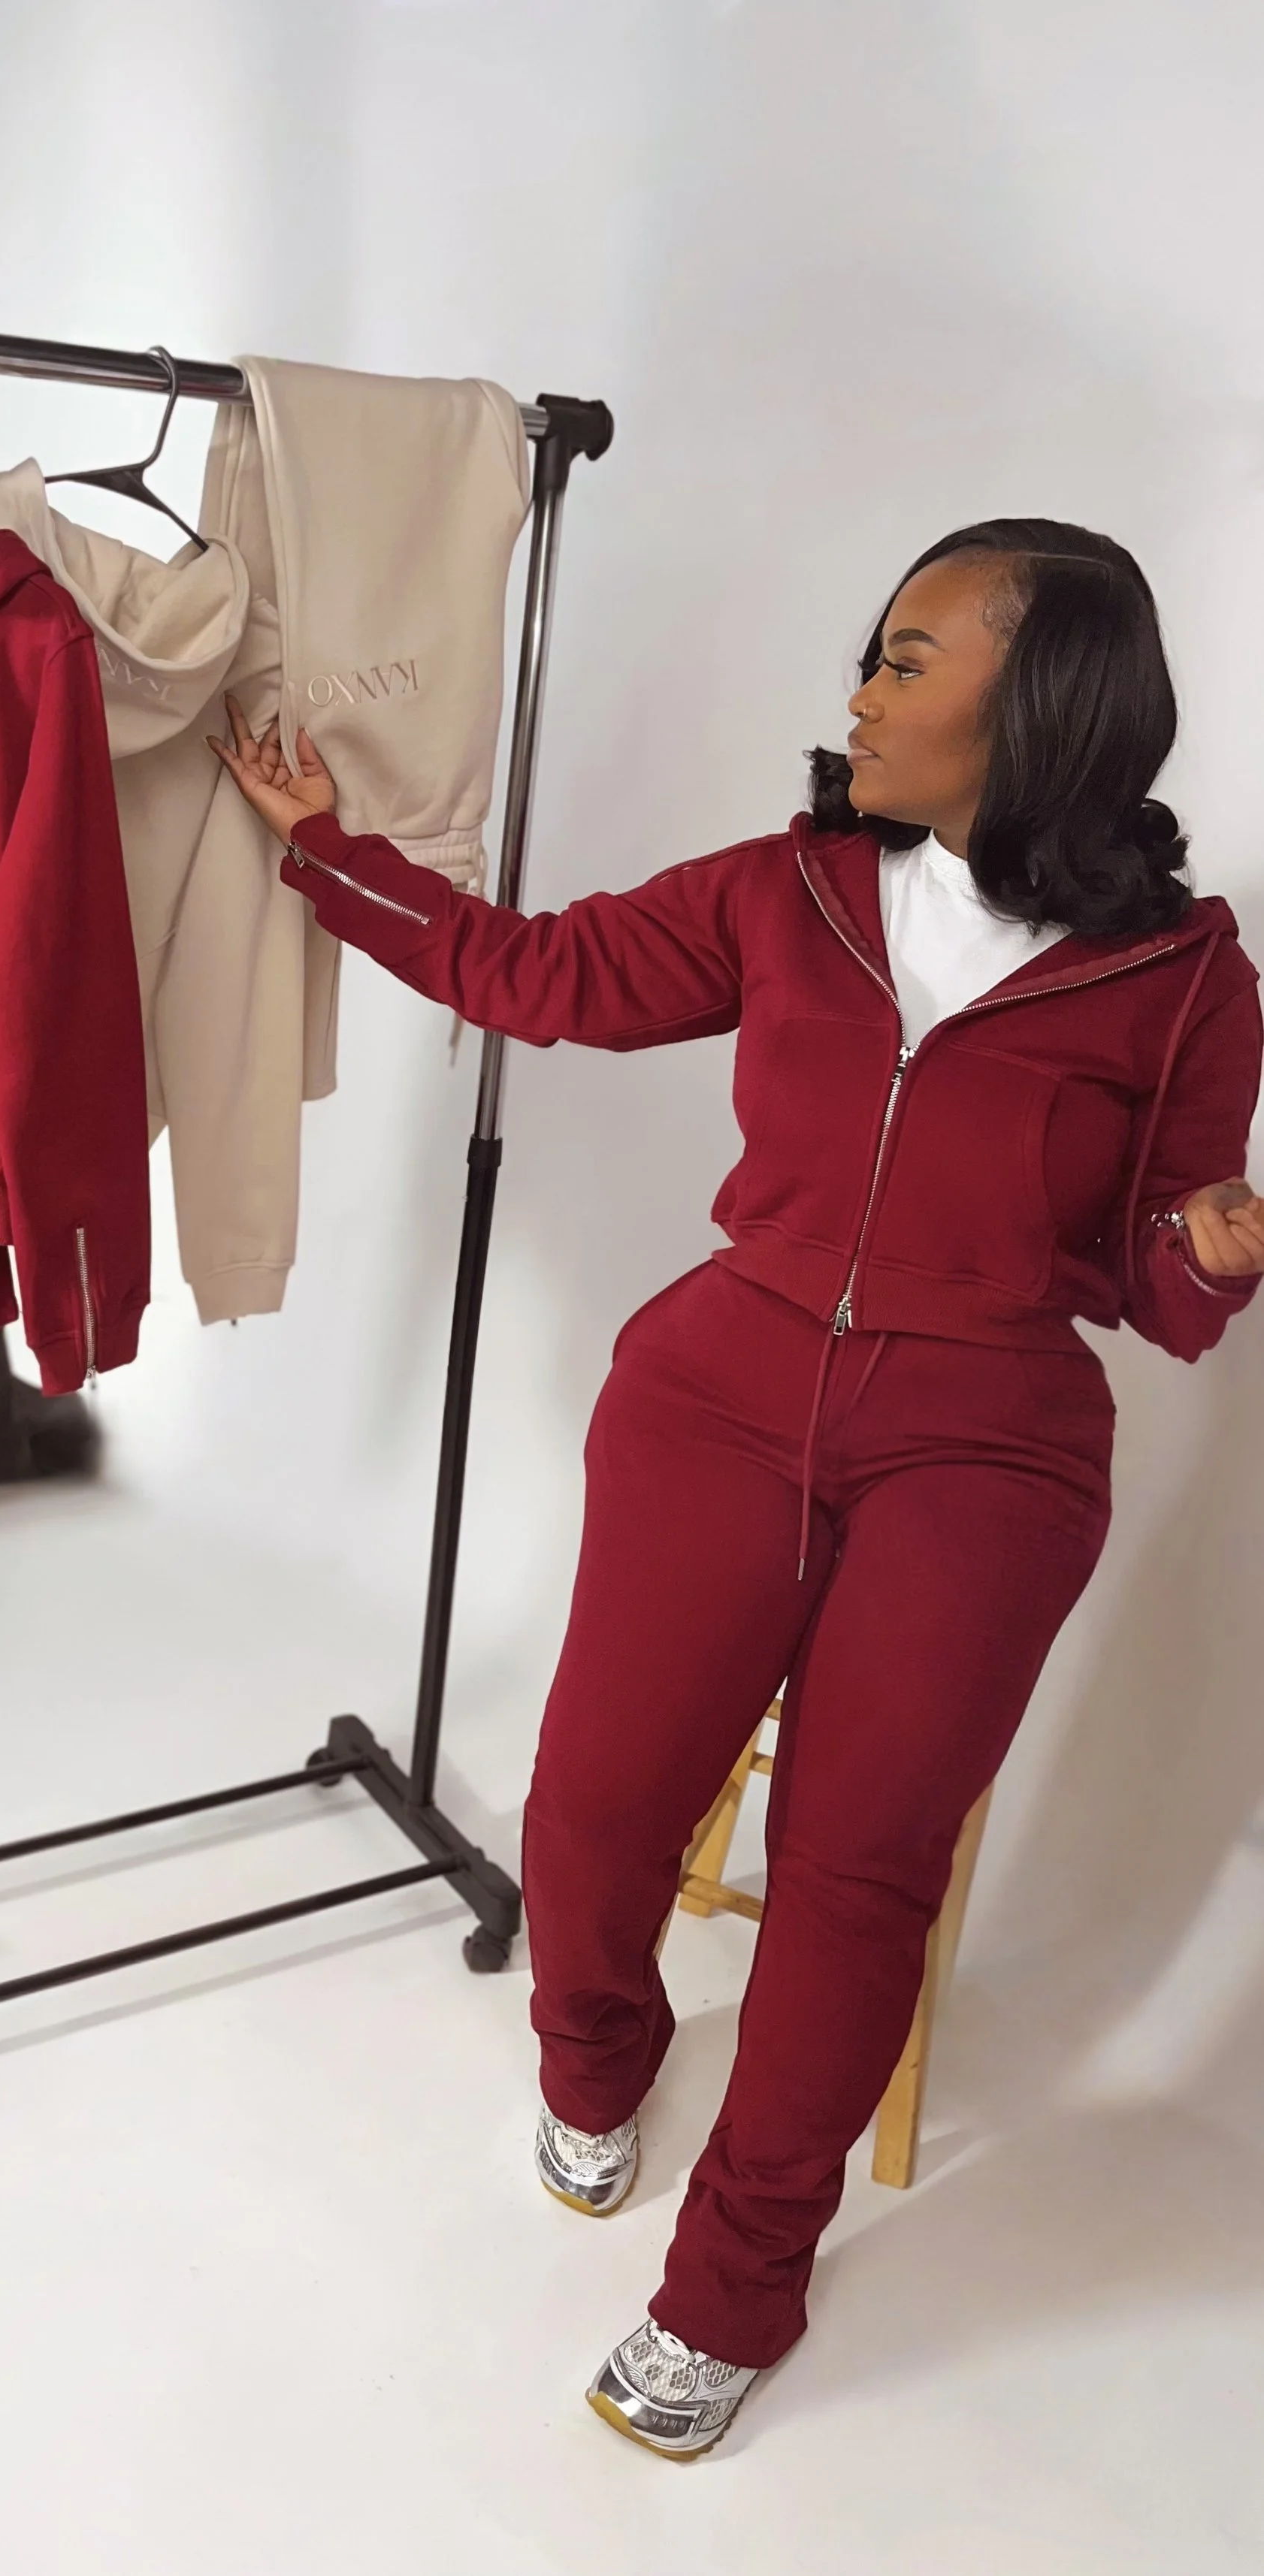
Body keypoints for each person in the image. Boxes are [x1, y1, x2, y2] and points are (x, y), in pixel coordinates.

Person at [211, 518, 1264, 2460]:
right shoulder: (798, 888)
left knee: (854, 1867)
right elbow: (537, 976)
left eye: (910, 653)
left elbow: (1143, 1286)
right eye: (871, 647)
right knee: (593, 1800)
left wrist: (1208, 1250)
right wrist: (321, 852)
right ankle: (594, 2058)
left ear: (1039, 700)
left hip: (985, 1446)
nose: (859, 685)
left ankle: (738, 2282)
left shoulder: (1186, 979)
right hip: (718, 1385)